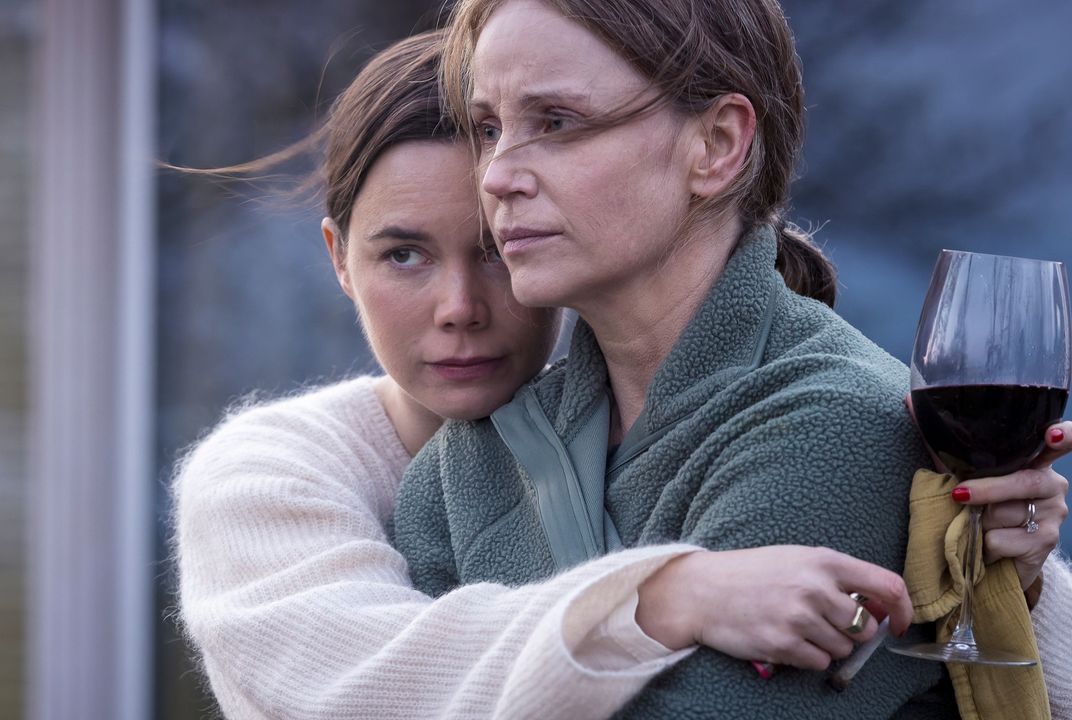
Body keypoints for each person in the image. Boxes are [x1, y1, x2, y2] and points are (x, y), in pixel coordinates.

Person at [173, 25, 1072, 720]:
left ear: (715, 145)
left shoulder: (822, 417)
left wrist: (1002, 581)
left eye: (556, 123)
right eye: (404, 254)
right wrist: (664, 598)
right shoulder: (336, 474)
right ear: (337, 257)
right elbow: (363, 684)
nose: (459, 306)